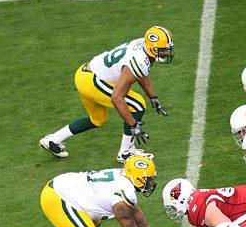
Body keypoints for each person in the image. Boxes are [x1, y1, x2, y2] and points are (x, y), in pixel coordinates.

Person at [40, 27, 174, 162]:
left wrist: (152, 96)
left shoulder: (142, 46)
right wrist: (133, 125)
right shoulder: (140, 60)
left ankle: (53, 140)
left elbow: (140, 72)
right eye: (162, 49)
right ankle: (126, 153)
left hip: (83, 74)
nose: (165, 52)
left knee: (97, 119)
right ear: (152, 47)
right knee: (137, 104)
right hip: (92, 80)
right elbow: (116, 98)